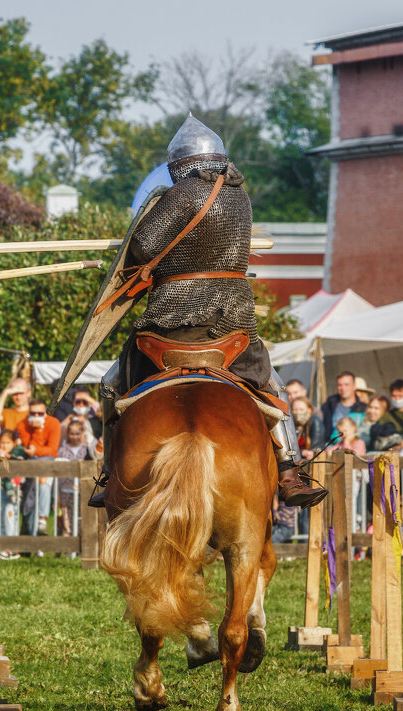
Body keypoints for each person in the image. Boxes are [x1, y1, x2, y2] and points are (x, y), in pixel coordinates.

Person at [92, 115, 324, 509]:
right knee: (274, 386)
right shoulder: (241, 198)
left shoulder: (180, 195)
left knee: (111, 384)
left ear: (180, 165)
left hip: (169, 329)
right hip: (230, 328)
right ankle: (288, 471)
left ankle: (109, 473)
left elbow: (145, 247)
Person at [18, 399, 60, 534]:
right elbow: (29, 448)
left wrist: (36, 450)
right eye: (33, 413)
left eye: (40, 414)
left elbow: (52, 449)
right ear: (28, 412)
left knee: (43, 483)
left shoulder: (53, 423)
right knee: (33, 492)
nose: (36, 416)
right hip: (31, 462)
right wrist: (37, 430)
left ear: (45, 414)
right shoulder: (22, 425)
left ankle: (42, 520)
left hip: (48, 462)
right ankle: (30, 528)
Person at [56, 418, 94, 537]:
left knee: (80, 516)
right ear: (68, 434)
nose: (74, 437)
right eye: (72, 434)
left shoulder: (86, 450)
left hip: (81, 489)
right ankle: (67, 546)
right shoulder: (62, 450)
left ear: (82, 433)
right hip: (65, 489)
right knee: (66, 517)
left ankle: (79, 544)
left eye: (77, 434)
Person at [0, 429, 25, 559]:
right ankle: (3, 546)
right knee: (1, 516)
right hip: (1, 490)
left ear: (13, 443)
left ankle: (12, 546)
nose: (5, 445)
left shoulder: (17, 453)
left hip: (14, 491)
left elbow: (19, 461)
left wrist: (6, 456)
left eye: (8, 442)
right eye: (2, 443)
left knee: (10, 514)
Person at [320, 372, 368, 443]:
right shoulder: (329, 405)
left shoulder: (363, 408)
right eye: (340, 385)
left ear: (354, 386)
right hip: (331, 447)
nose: (343, 388)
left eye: (346, 385)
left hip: (355, 447)